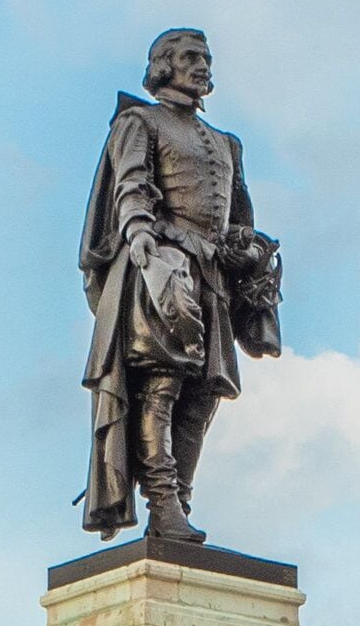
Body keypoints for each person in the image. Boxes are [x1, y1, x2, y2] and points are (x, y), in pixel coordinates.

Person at [78, 28, 282, 542]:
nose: (202, 66)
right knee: (161, 385)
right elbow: (131, 187)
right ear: (163, 65)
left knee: (204, 393)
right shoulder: (139, 121)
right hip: (162, 270)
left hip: (212, 276)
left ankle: (179, 506)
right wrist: (141, 237)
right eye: (191, 57)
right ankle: (164, 505)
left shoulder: (227, 143)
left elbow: (237, 217)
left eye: (206, 58)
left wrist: (248, 249)